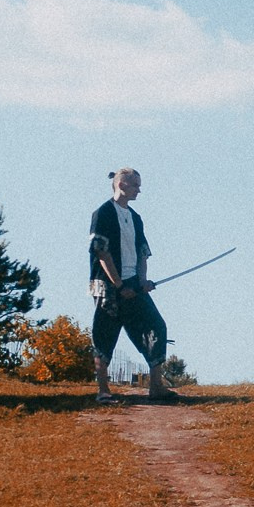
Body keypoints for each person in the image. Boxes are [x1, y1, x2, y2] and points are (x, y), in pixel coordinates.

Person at [89, 167, 174, 404]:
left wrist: (142, 281)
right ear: (121, 185)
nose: (139, 190)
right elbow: (101, 252)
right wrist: (118, 285)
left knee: (156, 326)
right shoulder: (103, 213)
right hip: (107, 286)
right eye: (135, 185)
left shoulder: (136, 218)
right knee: (105, 333)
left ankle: (156, 386)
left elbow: (142, 253)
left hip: (133, 284)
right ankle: (103, 391)